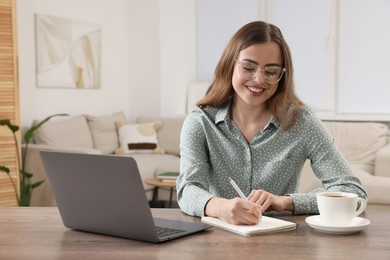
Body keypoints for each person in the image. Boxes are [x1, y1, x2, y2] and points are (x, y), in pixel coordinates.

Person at [176, 20, 367, 225]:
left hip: (280, 242)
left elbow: (352, 193)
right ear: (230, 64)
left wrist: (286, 202)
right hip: (214, 239)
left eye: (270, 72)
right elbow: (187, 189)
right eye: (248, 68)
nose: (258, 80)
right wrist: (219, 206)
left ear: (282, 75)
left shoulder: (301, 122)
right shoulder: (201, 122)